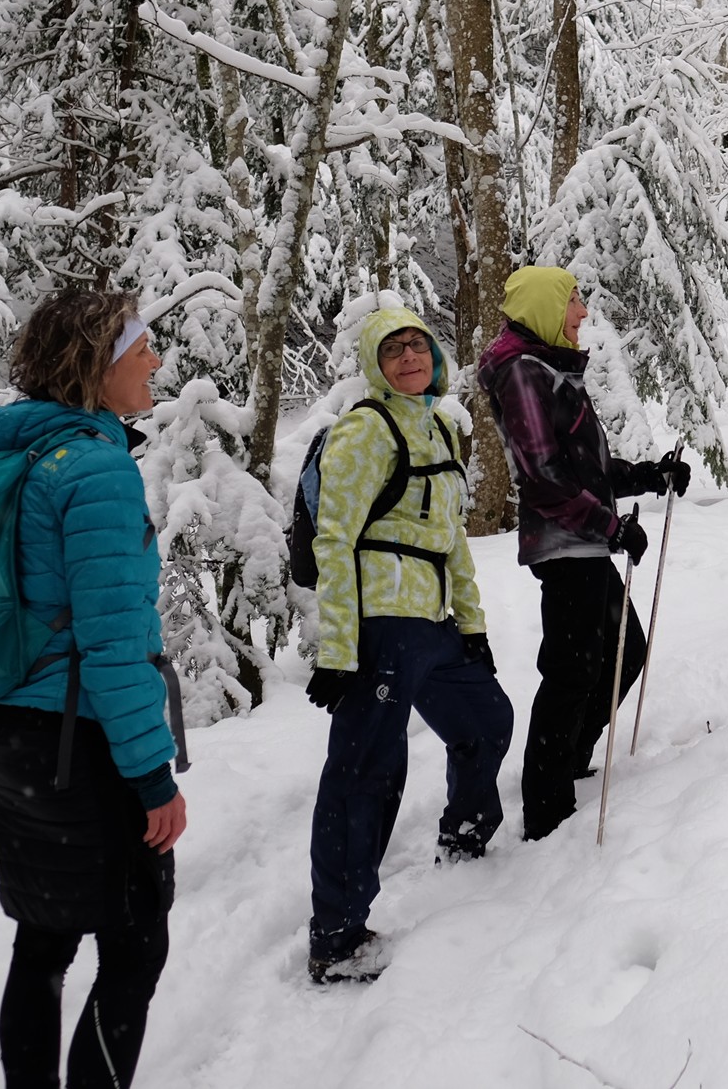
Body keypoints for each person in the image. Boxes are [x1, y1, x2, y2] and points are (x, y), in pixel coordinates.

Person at [0, 290, 187, 1086]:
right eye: (142, 350)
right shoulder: (95, 468)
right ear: (98, 365)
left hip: (16, 737)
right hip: (82, 745)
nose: (156, 362)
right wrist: (152, 777)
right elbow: (113, 647)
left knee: (43, 942)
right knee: (136, 945)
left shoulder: (20, 452)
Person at [305, 306, 513, 982]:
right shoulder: (366, 430)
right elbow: (333, 538)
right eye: (391, 349)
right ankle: (336, 936)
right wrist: (338, 648)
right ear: (375, 365)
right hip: (379, 625)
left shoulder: (440, 427)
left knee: (487, 719)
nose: (407, 357)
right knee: (366, 772)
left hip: (432, 623)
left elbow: (451, 538)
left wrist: (473, 625)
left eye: (417, 345)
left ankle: (464, 834)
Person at [478, 268, 688, 840]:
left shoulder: (550, 370)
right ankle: (547, 806)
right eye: (573, 301)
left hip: (583, 540)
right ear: (547, 308)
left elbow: (585, 469)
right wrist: (610, 527)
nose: (582, 312)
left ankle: (568, 760)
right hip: (564, 543)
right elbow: (544, 480)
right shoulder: (523, 375)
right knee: (573, 671)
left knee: (622, 654)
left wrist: (649, 475)